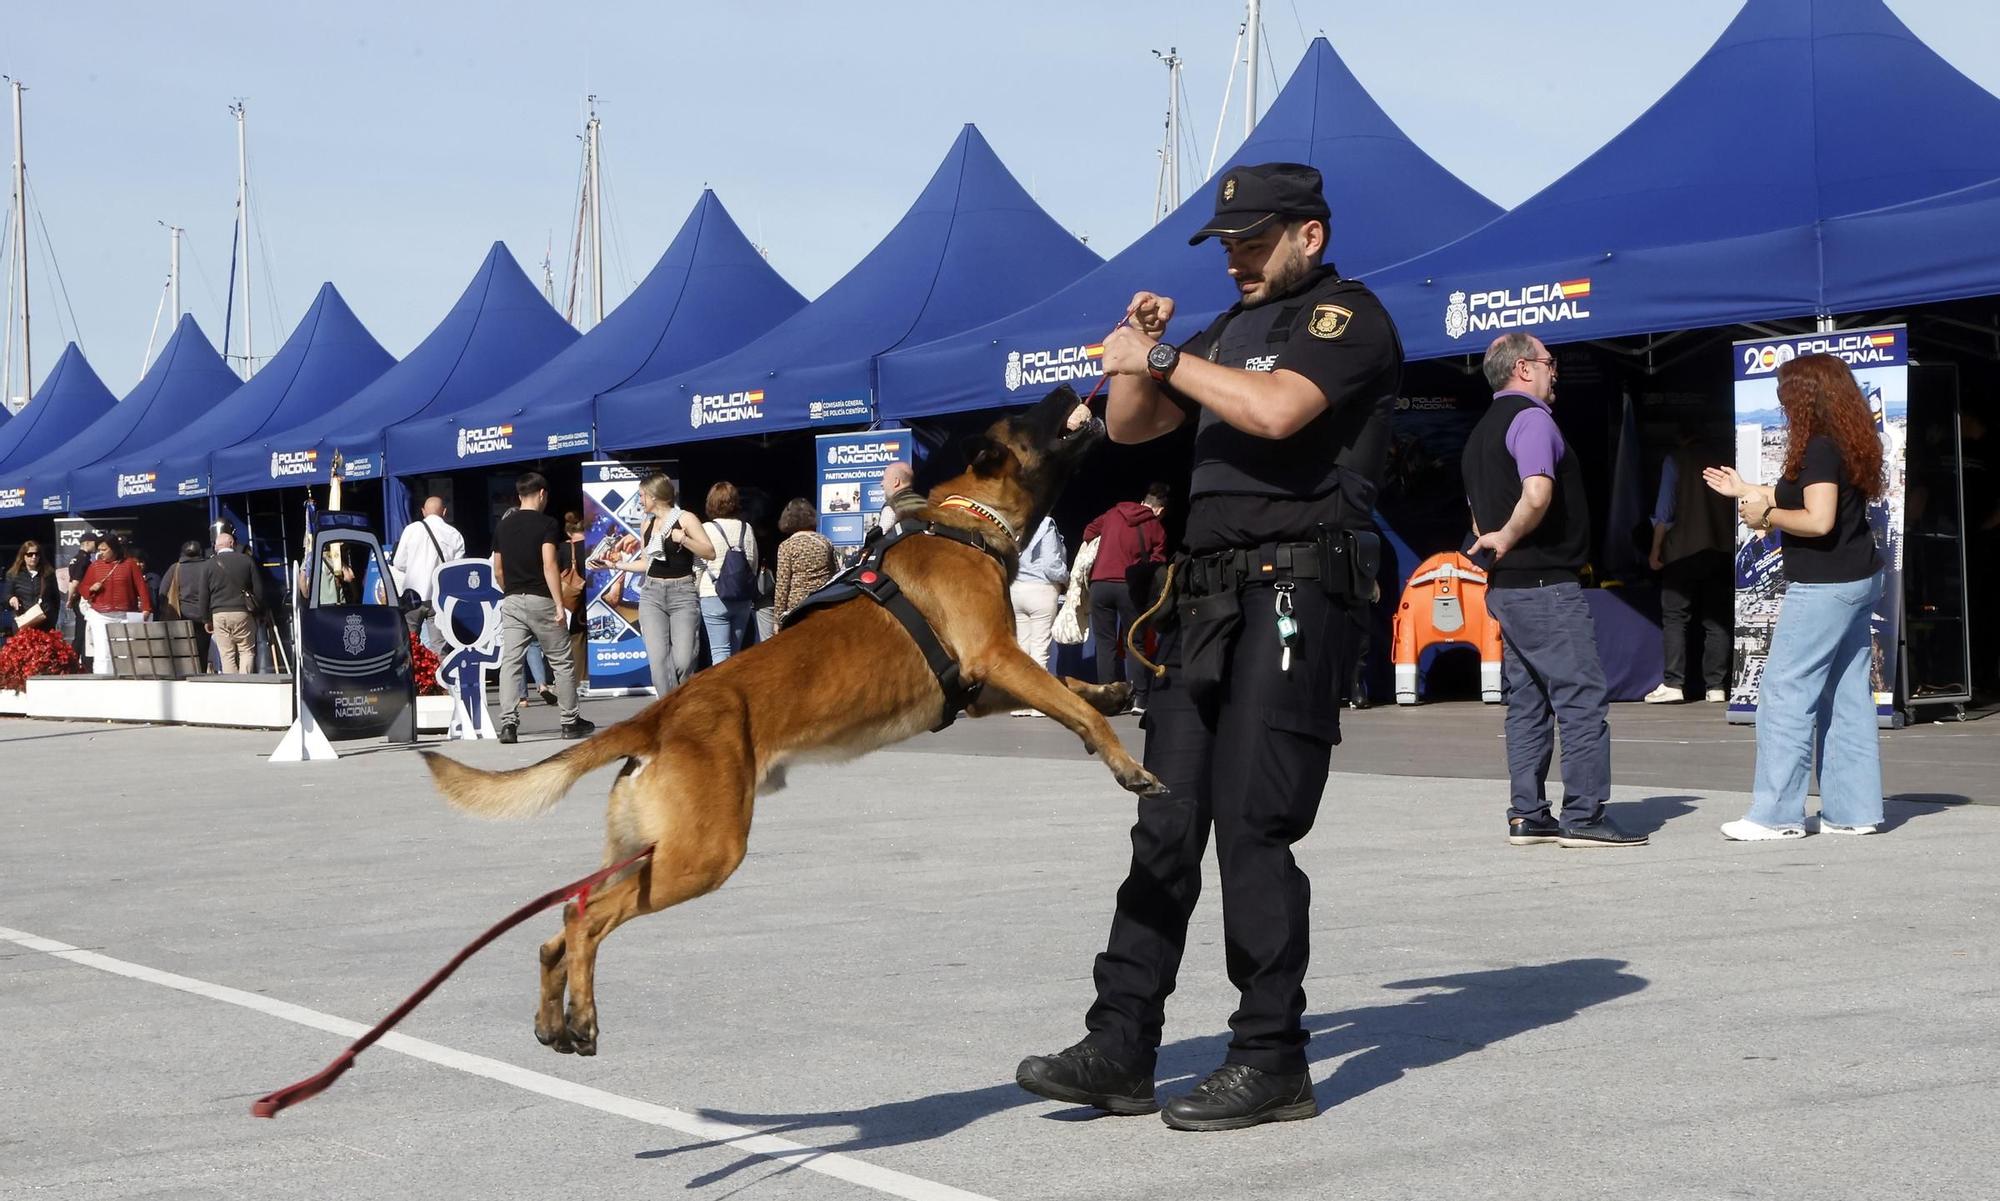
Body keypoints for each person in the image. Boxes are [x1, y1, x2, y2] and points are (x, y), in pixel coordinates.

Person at [1015, 163, 1401, 1131]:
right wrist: (1133, 354)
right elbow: (1133, 425)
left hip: (1294, 594)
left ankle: (1270, 1056)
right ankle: (1119, 1042)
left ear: (1306, 235)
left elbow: (1277, 412)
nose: (1233, 256)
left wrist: (1161, 360)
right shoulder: (1224, 333)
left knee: (1253, 822)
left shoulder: (1345, 319)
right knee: (1164, 820)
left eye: (1251, 239)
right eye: (1224, 242)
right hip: (1204, 599)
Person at [1463, 333, 1646, 851]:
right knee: (1581, 697)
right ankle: (1584, 814)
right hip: (1545, 585)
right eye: (1549, 363)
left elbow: (1477, 512)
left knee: (1528, 702)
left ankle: (1528, 814)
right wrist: (1511, 535)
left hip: (1509, 588)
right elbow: (1538, 491)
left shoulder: (1481, 430)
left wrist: (1494, 540)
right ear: (1523, 368)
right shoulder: (1532, 419)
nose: (1555, 371)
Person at [1702, 353, 1886, 839]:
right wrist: (1748, 488)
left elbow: (1818, 519)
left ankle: (1777, 815)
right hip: (1859, 577)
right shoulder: (1846, 439)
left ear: (1803, 396)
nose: (1780, 401)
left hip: (1825, 584)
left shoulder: (1819, 447)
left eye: (1786, 392)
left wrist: (1765, 517)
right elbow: (1814, 498)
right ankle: (1853, 812)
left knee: (1784, 691)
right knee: (1847, 696)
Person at [492, 472, 592, 743]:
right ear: (542, 494)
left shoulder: (503, 527)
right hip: (541, 598)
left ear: (519, 495)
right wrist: (559, 604)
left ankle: (509, 725)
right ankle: (570, 721)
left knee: (511, 662)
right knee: (561, 660)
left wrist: (509, 591)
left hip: (511, 600)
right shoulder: (547, 523)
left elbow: (498, 570)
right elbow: (549, 564)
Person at [602, 472, 714, 695]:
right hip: (652, 594)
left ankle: (683, 702)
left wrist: (684, 539)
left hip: (682, 592)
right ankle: (669, 711)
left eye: (642, 495)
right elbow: (647, 563)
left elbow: (709, 552)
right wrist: (614, 566)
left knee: (683, 660)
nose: (640, 500)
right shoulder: (647, 524)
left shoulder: (686, 518)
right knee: (658, 664)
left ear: (654, 496)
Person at [1644, 427, 1734, 703]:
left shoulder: (1676, 459)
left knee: (1675, 617)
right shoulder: (1726, 460)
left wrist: (1655, 549)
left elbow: (1664, 511)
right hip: (1720, 548)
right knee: (1716, 619)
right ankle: (1716, 687)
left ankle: (1673, 684)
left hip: (1682, 550)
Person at [1083, 484, 1168, 713]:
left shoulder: (1112, 513)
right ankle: (1140, 700)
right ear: (1159, 509)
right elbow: (1158, 560)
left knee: (1105, 644)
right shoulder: (1154, 524)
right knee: (1135, 643)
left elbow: (1089, 532)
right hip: (1129, 587)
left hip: (1100, 584)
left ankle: (1108, 700)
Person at [1009, 514, 1070, 715]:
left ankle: (1020, 703)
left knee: (1023, 649)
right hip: (1041, 590)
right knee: (1040, 650)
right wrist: (1067, 578)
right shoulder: (1045, 524)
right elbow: (1051, 564)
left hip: (1016, 589)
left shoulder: (1015, 522)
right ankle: (1038, 703)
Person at [695, 481, 760, 665]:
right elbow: (752, 562)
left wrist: (695, 590)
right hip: (742, 596)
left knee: (719, 652)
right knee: (736, 651)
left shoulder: (706, 529)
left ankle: (720, 692)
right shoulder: (747, 528)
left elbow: (698, 565)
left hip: (712, 594)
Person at [392, 495, 467, 652]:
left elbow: (398, 563)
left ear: (423, 512)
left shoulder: (411, 530)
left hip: (413, 596)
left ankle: (413, 675)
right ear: (444, 512)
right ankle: (441, 675)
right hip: (440, 598)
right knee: (440, 647)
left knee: (408, 645)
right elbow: (458, 570)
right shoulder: (454, 534)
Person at [194, 530, 266, 674]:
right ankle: (245, 681)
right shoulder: (247, 561)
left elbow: (203, 595)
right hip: (243, 612)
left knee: (227, 654)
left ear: (216, 547)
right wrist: (260, 612)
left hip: (218, 614)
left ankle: (233, 686)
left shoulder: (208, 565)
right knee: (246, 651)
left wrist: (206, 619)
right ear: (232, 543)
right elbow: (259, 589)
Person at [79, 534, 152, 675]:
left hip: (125, 614)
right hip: (100, 614)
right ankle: (102, 678)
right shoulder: (94, 566)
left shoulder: (130, 564)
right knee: (102, 652)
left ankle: (126, 679)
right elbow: (83, 588)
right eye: (99, 550)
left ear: (114, 549)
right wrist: (90, 589)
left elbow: (141, 586)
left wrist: (146, 608)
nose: (101, 553)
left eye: (104, 549)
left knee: (126, 651)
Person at [772, 498, 838, 619]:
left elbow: (782, 584)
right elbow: (835, 574)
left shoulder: (787, 546)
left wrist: (778, 617)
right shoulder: (825, 542)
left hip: (797, 607)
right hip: (822, 602)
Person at [157, 540, 212, 671]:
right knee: (202, 653)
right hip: (204, 617)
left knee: (183, 653)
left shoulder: (176, 567)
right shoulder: (208, 566)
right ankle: (201, 675)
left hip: (181, 615)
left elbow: (163, 592)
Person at [3, 539, 60, 641]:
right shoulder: (13, 574)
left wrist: (52, 618)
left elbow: (55, 598)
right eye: (30, 554)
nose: (34, 557)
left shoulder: (48, 574)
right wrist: (11, 599)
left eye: (36, 554)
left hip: (44, 622)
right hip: (23, 621)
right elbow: (6, 595)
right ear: (23, 556)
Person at [64, 531, 100, 664]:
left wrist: (70, 598)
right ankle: (75, 662)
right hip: (82, 600)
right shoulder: (83, 559)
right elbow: (75, 582)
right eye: (95, 543)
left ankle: (77, 661)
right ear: (87, 543)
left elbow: (71, 581)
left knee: (82, 630)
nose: (96, 546)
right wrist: (70, 598)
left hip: (78, 598)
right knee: (82, 631)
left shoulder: (75, 558)